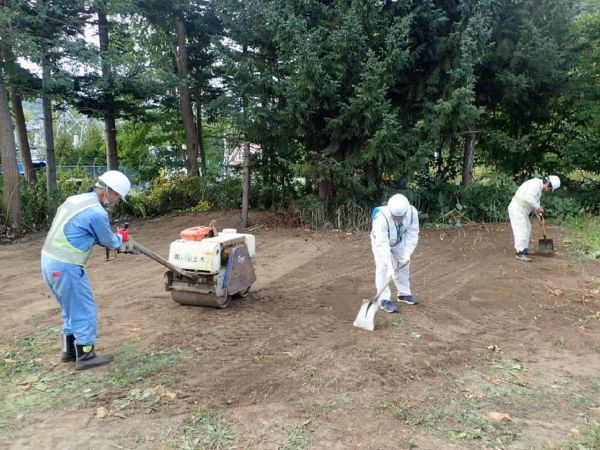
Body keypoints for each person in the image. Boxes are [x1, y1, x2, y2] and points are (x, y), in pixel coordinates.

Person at [41, 170, 134, 370]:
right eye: (117, 197)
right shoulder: (96, 212)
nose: (117, 201)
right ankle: (86, 356)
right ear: (108, 191)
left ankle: (69, 351)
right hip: (67, 266)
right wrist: (122, 238)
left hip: (49, 262)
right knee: (83, 308)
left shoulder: (75, 200)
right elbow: (108, 241)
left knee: (70, 307)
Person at [370, 193, 420, 313]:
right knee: (383, 267)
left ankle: (403, 294)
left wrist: (407, 254)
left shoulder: (412, 213)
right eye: (395, 217)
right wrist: (389, 265)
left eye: (401, 217)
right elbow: (382, 244)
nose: (398, 219)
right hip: (381, 242)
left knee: (404, 264)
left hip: (399, 241)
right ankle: (383, 299)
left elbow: (412, 234)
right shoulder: (380, 218)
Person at [508, 175, 561, 262]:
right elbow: (528, 198)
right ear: (548, 183)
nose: (548, 191)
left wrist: (540, 217)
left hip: (522, 211)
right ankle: (520, 253)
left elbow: (535, 204)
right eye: (550, 188)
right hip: (517, 209)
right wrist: (538, 207)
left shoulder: (538, 188)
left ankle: (524, 250)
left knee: (527, 228)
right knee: (521, 230)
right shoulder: (535, 185)